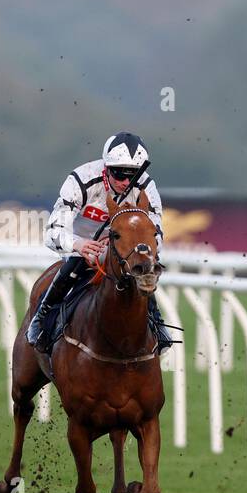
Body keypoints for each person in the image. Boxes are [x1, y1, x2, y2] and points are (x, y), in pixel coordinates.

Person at [26, 131, 169, 354]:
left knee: (142, 271)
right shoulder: (81, 179)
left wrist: (139, 251)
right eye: (118, 174)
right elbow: (53, 232)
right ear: (106, 168)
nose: (124, 182)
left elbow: (156, 236)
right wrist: (79, 245)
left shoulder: (146, 187)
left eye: (130, 176)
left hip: (121, 247)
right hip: (80, 244)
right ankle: (42, 318)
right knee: (72, 266)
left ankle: (157, 323)